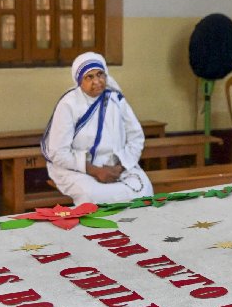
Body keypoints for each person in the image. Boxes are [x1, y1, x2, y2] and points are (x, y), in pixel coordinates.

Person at [41, 52, 153, 205]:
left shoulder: (115, 99)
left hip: (115, 166)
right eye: (90, 77)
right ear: (80, 81)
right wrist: (96, 171)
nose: (97, 81)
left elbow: (136, 137)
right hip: (78, 169)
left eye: (100, 74)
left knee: (143, 189)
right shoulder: (68, 104)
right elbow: (59, 153)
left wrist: (120, 167)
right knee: (92, 195)